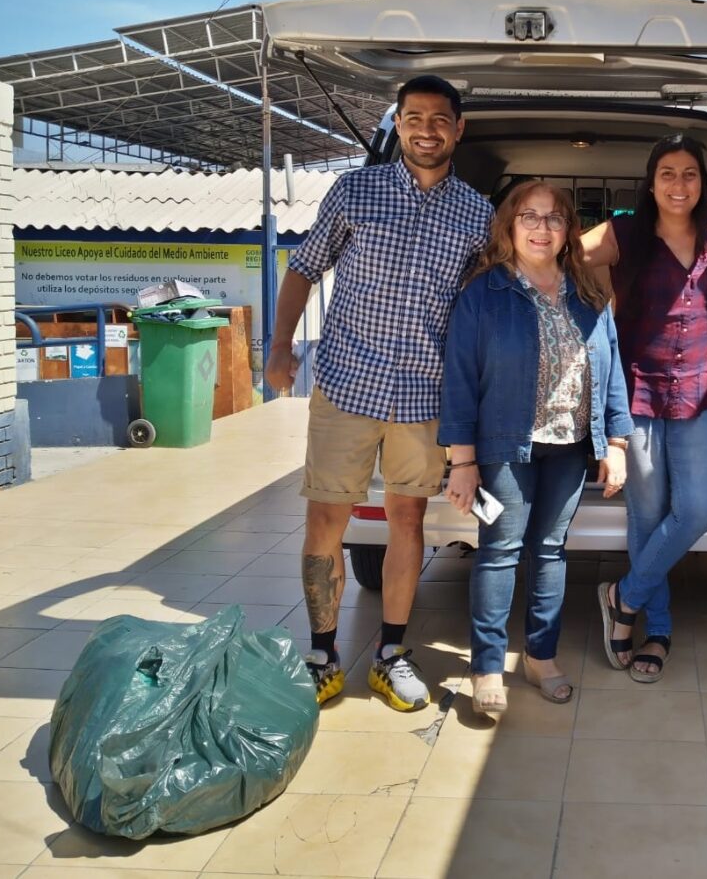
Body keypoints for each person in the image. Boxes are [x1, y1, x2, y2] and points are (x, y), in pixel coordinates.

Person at [265, 75, 494, 710]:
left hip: (425, 397)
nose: (427, 128)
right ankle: (322, 652)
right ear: (397, 122)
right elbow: (304, 267)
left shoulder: (477, 213)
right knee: (326, 520)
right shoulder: (355, 190)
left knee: (407, 521)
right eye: (414, 116)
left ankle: (390, 653)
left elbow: (484, 310)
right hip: (347, 386)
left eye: (440, 118)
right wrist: (280, 348)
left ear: (458, 128)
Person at [440, 181, 632, 714]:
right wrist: (462, 461)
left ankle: (541, 656)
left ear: (569, 229)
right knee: (499, 552)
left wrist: (614, 441)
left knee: (549, 551)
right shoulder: (484, 294)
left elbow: (612, 369)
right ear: (509, 226)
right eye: (530, 216)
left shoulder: (588, 292)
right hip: (505, 448)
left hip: (571, 447)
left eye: (553, 218)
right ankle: (486, 666)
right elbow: (458, 380)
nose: (542, 228)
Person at [583, 134, 707, 682]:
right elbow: (558, 253)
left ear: (703, 182)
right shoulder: (625, 231)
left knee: (699, 509)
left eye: (690, 173)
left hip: (699, 395)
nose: (679, 184)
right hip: (637, 393)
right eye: (667, 173)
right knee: (647, 517)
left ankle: (622, 597)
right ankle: (657, 629)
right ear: (652, 181)